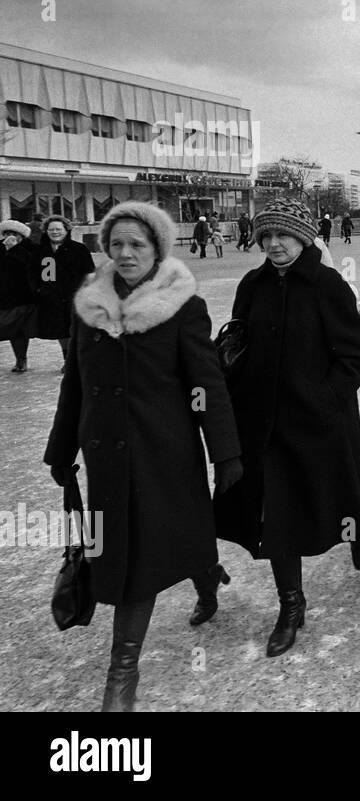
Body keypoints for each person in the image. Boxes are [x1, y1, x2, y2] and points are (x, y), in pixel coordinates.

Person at [44, 202, 241, 711]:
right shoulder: (90, 304)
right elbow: (76, 383)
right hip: (105, 458)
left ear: (158, 249)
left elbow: (206, 383)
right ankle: (206, 572)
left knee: (143, 554)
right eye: (117, 244)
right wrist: (61, 448)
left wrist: (225, 453)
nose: (126, 253)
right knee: (150, 544)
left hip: (163, 453)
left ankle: (121, 676)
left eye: (138, 244)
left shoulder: (182, 306)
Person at [215, 198, 360, 657]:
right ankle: (291, 604)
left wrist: (325, 401)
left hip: (315, 419)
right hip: (262, 421)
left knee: (331, 494)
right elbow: (239, 338)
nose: (274, 244)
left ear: (303, 237)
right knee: (275, 515)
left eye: (283, 235)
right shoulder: (252, 284)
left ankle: (359, 528)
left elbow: (352, 356)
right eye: (267, 236)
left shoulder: (328, 285)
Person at [32, 215, 96, 365]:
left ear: (66, 230)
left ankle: (79, 359)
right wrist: (39, 291)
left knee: (77, 329)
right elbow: (32, 273)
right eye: (51, 229)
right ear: (46, 231)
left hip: (75, 296)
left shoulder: (79, 249)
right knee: (61, 330)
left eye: (58, 229)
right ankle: (67, 359)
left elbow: (89, 272)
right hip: (51, 298)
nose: (55, 232)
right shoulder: (40, 251)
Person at [0, 220, 38, 372]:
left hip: (23, 296)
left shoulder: (30, 249)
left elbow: (32, 265)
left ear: (21, 236)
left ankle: (21, 359)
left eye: (13, 234)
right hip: (3, 297)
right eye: (7, 233)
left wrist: (14, 249)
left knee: (19, 332)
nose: (9, 237)